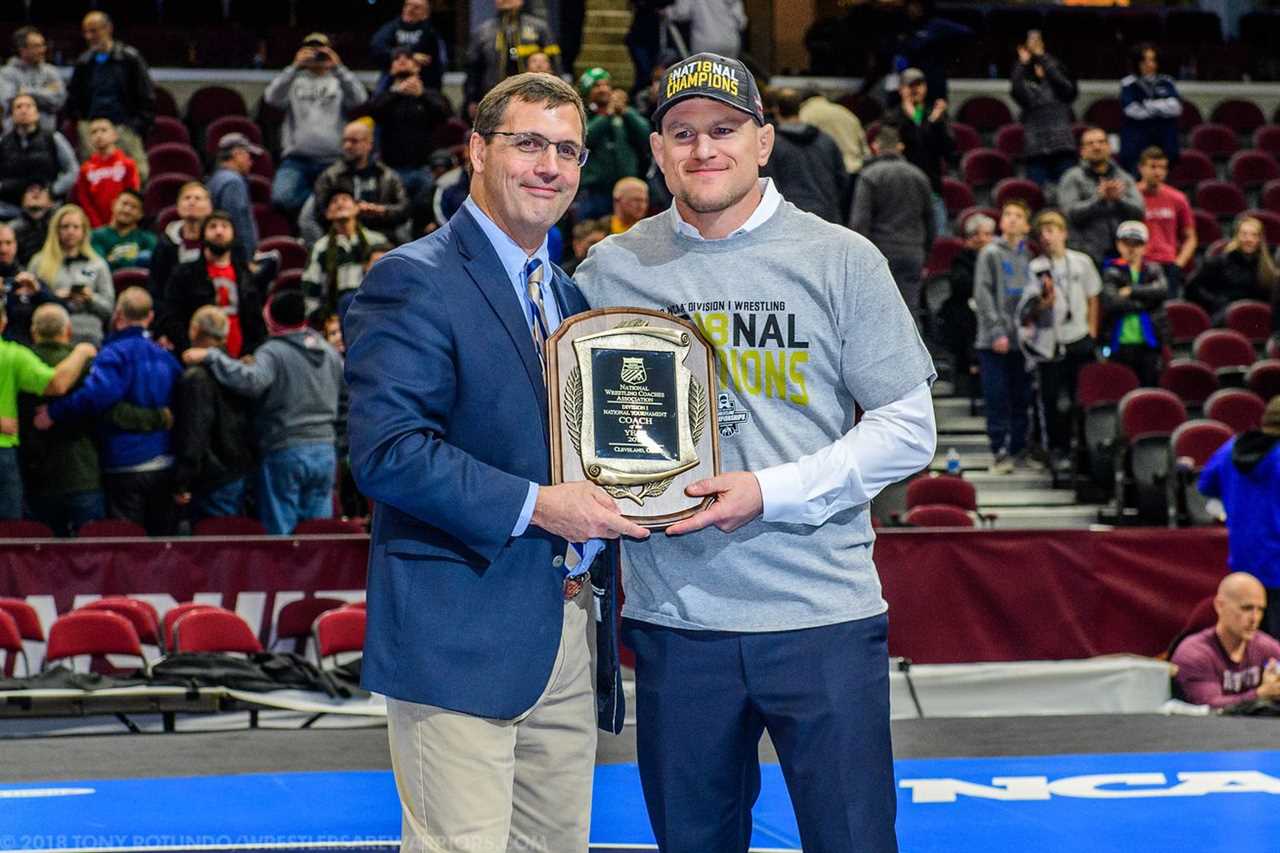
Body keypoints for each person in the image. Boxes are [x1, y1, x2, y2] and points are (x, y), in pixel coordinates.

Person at [576, 52, 936, 853]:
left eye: (725, 129)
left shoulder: (841, 257)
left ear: (765, 141)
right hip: (677, 619)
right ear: (659, 152)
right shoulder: (611, 268)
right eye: (683, 133)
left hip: (824, 615)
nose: (705, 149)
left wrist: (771, 490)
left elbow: (910, 427)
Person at [344, 72, 643, 853]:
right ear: (478, 149)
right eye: (529, 143)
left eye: (568, 150)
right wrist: (543, 506)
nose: (551, 165)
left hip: (568, 629)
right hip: (458, 632)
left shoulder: (572, 299)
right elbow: (388, 453)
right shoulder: (412, 277)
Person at [182, 282, 342, 535]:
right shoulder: (328, 350)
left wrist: (212, 356)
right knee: (317, 537)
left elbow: (251, 381)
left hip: (286, 450)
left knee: (281, 539)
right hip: (325, 452)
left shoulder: (274, 351)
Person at [35, 287, 181, 535]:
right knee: (162, 549)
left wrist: (54, 412)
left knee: (127, 549)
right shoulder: (167, 358)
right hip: (163, 463)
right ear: (150, 317)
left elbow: (98, 396)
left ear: (118, 314)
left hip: (124, 464)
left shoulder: (113, 354)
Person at [1020, 210, 1101, 471]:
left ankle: (1086, 452)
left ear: (1064, 233)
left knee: (1083, 399)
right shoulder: (1035, 269)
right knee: (1052, 400)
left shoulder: (1081, 262)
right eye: (1042, 232)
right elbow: (1028, 311)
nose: (1047, 237)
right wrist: (1043, 304)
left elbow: (1093, 297)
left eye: (1052, 230)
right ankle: (1057, 449)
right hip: (1050, 342)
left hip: (1079, 337)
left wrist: (1092, 330)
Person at [0, 302, 97, 520]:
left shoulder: (17, 355)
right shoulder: (13, 355)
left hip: (28, 465)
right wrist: (82, 351)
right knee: (9, 538)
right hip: (9, 452)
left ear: (34, 331)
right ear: (3, 323)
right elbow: (58, 383)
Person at [263, 33, 368, 218]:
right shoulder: (294, 80)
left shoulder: (339, 80)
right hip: (297, 159)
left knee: (345, 202)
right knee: (281, 198)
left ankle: (319, 204)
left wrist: (338, 67)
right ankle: (318, 201)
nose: (316, 54)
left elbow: (360, 99)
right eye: (310, 49)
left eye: (320, 49)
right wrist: (294, 67)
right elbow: (271, 98)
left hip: (333, 159)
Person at [1199, 400, 1280, 636]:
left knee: (1252, 646)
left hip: (1243, 564)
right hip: (1276, 567)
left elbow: (1206, 485)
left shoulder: (1230, 448)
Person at [172, 305, 255, 520]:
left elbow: (194, 432)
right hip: (239, 471)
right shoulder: (239, 372)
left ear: (194, 330)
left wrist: (182, 480)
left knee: (215, 549)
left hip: (212, 480)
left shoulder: (196, 378)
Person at [849, 123, 934, 324]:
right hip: (913, 253)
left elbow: (859, 223)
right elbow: (930, 221)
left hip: (879, 254)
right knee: (909, 314)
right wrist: (925, 254)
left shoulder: (869, 176)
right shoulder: (919, 175)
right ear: (900, 147)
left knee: (876, 316)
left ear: (875, 147)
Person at [158, 211, 274, 356]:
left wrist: (252, 353)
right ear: (203, 234)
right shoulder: (184, 273)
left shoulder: (246, 275)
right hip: (197, 355)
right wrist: (188, 348)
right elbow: (171, 316)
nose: (219, 231)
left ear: (233, 235)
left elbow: (257, 321)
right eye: (212, 227)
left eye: (225, 227)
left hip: (241, 357)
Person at [974, 199, 1034, 474]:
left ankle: (1019, 449)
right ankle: (999, 450)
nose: (1010, 219)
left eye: (1017, 215)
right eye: (1007, 214)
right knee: (997, 396)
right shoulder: (990, 253)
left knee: (1021, 397)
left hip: (1023, 341)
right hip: (993, 341)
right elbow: (983, 294)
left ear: (1026, 224)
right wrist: (997, 331)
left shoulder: (1029, 256)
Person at [365, 48, 454, 218]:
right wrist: (396, 92)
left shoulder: (431, 94)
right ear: (391, 68)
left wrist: (422, 95)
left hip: (424, 167)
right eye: (396, 58)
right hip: (392, 168)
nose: (402, 60)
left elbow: (445, 116)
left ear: (417, 67)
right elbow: (374, 112)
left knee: (424, 214)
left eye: (407, 58)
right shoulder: (385, 96)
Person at [67, 12, 154, 182]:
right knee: (94, 181)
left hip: (124, 128)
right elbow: (74, 98)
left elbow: (146, 96)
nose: (89, 36)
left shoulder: (130, 58)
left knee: (136, 177)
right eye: (86, 32)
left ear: (108, 29)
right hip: (92, 131)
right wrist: (83, 126)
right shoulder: (84, 62)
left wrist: (136, 126)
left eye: (94, 31)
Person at [1172, 573, 1280, 708]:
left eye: (1260, 610)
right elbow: (1209, 707)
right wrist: (1260, 694)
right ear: (1220, 605)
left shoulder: (1266, 646)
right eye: (1246, 608)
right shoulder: (1195, 653)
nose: (1255, 618)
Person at [306, 121, 410, 245]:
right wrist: (348, 213)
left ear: (369, 144)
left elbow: (404, 209)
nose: (347, 146)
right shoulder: (330, 177)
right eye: (345, 141)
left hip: (383, 240)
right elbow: (320, 213)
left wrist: (381, 210)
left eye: (354, 141)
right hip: (342, 240)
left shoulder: (388, 176)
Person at [882, 67, 956, 235]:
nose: (915, 90)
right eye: (910, 85)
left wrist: (934, 123)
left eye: (919, 85)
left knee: (939, 239)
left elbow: (949, 150)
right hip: (900, 191)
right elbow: (896, 149)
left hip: (931, 187)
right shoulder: (892, 117)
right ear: (901, 89)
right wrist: (914, 120)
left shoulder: (936, 115)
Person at [27, 204, 113, 346]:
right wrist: (53, 297)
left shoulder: (98, 265)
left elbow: (109, 309)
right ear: (56, 230)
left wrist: (90, 297)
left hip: (88, 331)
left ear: (84, 231)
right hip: (49, 332)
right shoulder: (39, 262)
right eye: (65, 227)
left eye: (75, 227)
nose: (70, 232)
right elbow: (28, 301)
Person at [1058, 126, 1145, 266]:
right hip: (1085, 254)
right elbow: (1069, 214)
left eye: (1101, 142)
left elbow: (1140, 212)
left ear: (1109, 147)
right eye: (1090, 143)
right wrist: (1098, 200)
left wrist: (1119, 199)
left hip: (1121, 253)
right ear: (1082, 151)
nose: (1096, 147)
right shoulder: (1072, 177)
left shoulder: (1123, 177)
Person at [761, 87, 848, 225]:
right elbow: (842, 180)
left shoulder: (771, 146)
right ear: (799, 107)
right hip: (827, 217)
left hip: (788, 220)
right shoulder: (826, 140)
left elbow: (767, 183)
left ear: (776, 109)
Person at [301, 188, 390, 319]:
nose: (340, 203)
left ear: (357, 208)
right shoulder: (320, 248)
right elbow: (311, 291)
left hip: (378, 313)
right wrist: (323, 319)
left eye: (345, 199)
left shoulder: (377, 241)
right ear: (327, 214)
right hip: (336, 318)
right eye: (334, 201)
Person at [1100, 220, 1168, 386]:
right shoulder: (1110, 271)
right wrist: (1145, 303)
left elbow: (1162, 291)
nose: (1131, 248)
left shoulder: (1154, 270)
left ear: (1144, 246)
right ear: (1118, 245)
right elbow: (1111, 302)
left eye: (1137, 244)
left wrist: (1130, 291)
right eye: (1126, 243)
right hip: (1119, 344)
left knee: (1150, 391)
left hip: (1149, 343)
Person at [578, 67, 651, 220]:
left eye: (606, 85)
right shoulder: (581, 114)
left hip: (626, 191)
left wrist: (626, 112)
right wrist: (607, 116)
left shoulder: (624, 113)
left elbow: (647, 137)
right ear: (587, 89)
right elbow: (583, 139)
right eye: (597, 85)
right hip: (595, 192)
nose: (604, 89)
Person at [465, 0, 562, 113]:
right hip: (494, 99)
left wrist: (558, 95)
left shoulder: (539, 29)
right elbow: (473, 70)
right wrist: (472, 100)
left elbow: (555, 65)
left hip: (534, 98)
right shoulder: (483, 32)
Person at [1010, 31, 1077, 188]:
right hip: (1036, 150)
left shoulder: (1059, 87)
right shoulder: (1028, 86)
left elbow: (1065, 86)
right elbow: (1016, 89)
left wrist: (1041, 55)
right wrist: (1023, 62)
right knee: (1035, 194)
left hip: (1063, 147)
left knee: (1067, 191)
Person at [939, 213, 994, 396]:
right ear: (971, 238)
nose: (984, 239)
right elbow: (962, 285)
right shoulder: (962, 259)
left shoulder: (997, 258)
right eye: (979, 234)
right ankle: (973, 368)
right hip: (964, 311)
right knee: (968, 320)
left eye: (988, 234)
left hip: (991, 310)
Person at [1186, 216, 1277, 324]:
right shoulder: (1220, 261)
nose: (1249, 239)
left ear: (1260, 239)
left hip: (1257, 320)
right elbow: (1192, 286)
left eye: (1254, 235)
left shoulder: (1267, 266)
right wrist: (1215, 302)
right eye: (1244, 234)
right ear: (1237, 237)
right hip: (1224, 318)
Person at [0, 93, 77, 220]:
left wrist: (51, 191)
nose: (24, 110)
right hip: (10, 210)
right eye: (18, 107)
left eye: (29, 106)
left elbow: (72, 170)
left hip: (49, 210)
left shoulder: (53, 139)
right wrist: (10, 189)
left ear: (37, 113)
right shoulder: (2, 143)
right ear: (12, 115)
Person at [798, 88, 870, 218]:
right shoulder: (846, 113)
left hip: (827, 175)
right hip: (855, 171)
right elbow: (865, 149)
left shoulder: (806, 114)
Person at [1137, 146, 1195, 298]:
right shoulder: (1132, 197)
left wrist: (1179, 263)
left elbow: (1190, 237)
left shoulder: (1178, 198)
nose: (1158, 172)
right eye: (1153, 167)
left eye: (1162, 167)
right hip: (1141, 263)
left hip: (1169, 264)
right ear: (1141, 168)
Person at [1119, 43, 1182, 175]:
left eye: (1152, 60)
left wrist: (1148, 105)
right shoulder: (1128, 83)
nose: (1149, 64)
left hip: (1164, 142)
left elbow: (1176, 108)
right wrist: (1162, 107)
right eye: (1145, 61)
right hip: (1137, 144)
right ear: (1137, 63)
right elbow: (1133, 111)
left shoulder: (1167, 81)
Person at [72, 117, 141, 229]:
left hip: (123, 225)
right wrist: (97, 226)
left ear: (114, 135)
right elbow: (85, 201)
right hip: (96, 228)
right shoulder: (85, 169)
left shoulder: (128, 164)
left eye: (103, 130)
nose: (99, 135)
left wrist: (119, 220)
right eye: (94, 132)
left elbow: (132, 196)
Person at [149, 182, 213, 298]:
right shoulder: (165, 243)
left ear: (209, 208)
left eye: (198, 198)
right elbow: (156, 287)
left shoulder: (218, 242)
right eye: (186, 198)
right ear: (178, 206)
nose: (191, 202)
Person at [369, 0, 447, 91]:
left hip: (424, 82)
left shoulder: (431, 33)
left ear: (426, 13)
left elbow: (440, 62)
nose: (409, 10)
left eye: (416, 8)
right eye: (407, 5)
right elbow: (377, 48)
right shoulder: (391, 28)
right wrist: (411, 55)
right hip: (392, 80)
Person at [207, 132, 262, 259]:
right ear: (237, 154)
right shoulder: (233, 182)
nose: (251, 162)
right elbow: (237, 223)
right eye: (249, 155)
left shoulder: (216, 178)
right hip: (237, 258)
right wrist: (246, 259)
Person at [0, 27, 66, 132]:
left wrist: (26, 91)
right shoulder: (7, 73)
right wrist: (45, 91)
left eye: (43, 45)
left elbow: (58, 100)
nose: (42, 50)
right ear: (22, 50)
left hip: (46, 136)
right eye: (36, 46)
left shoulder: (51, 72)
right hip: (15, 137)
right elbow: (8, 101)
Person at [0, 224, 55, 346]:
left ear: (15, 245)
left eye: (8, 243)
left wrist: (39, 292)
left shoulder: (28, 279)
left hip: (26, 348)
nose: (3, 249)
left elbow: (60, 310)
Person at [90, 189, 155, 272]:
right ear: (113, 205)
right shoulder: (95, 236)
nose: (127, 210)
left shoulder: (148, 239)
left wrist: (113, 261)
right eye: (124, 204)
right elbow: (101, 266)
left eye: (133, 207)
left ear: (140, 214)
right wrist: (135, 261)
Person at [668, 0, 747, 56]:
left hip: (705, 43)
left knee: (705, 77)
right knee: (727, 76)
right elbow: (741, 21)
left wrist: (666, 12)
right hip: (730, 42)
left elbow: (681, 12)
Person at [10, 182, 55, 266]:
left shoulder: (59, 226)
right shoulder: (11, 229)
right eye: (30, 190)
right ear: (22, 200)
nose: (36, 192)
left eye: (41, 190)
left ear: (51, 202)